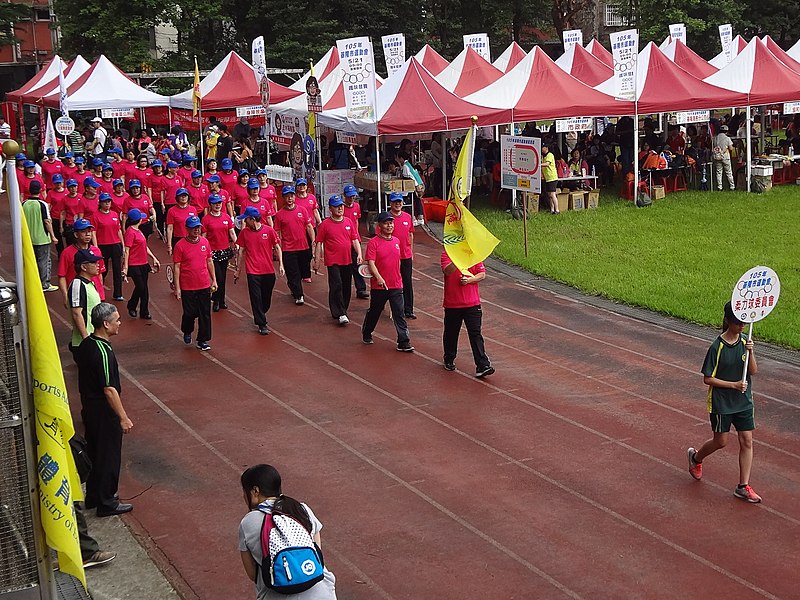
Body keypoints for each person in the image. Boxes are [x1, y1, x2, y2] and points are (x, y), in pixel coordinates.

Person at [688, 301, 760, 503]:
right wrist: (733, 385)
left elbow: (753, 371)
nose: (742, 326)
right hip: (722, 402)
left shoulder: (746, 342)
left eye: (743, 323)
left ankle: (743, 486)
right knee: (721, 442)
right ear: (728, 321)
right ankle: (695, 458)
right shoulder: (716, 347)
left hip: (744, 401)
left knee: (747, 440)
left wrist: (751, 352)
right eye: (738, 323)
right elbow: (707, 378)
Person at [238, 464, 337, 600]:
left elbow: (252, 573)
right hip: (323, 592)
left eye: (245, 492)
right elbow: (317, 553)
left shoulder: (248, 522)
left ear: (255, 491)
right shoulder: (302, 509)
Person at [75, 302, 133, 517]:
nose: (119, 323)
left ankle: (93, 496)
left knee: (95, 452)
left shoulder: (87, 344)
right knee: (109, 455)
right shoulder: (103, 351)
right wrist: (123, 417)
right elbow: (109, 389)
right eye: (117, 320)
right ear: (106, 324)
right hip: (103, 410)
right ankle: (107, 501)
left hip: (89, 407)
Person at [361, 212, 413, 352]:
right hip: (379, 286)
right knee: (375, 311)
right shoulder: (373, 243)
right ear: (379, 226)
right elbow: (371, 263)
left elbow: (399, 262)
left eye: (391, 222)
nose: (389, 225)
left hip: (396, 285)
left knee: (399, 313)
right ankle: (367, 332)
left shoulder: (396, 241)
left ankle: (404, 341)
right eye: (386, 223)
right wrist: (378, 278)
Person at [440, 250, 494, 377]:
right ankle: (449, 358)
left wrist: (469, 280)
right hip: (453, 303)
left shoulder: (473, 254)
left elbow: (482, 274)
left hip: (472, 303)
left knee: (475, 334)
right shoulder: (447, 254)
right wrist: (457, 257)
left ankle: (482, 364)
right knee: (451, 333)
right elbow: (447, 271)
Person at [234, 207, 284, 336]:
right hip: (252, 271)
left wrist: (281, 265)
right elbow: (241, 251)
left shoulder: (269, 230)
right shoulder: (244, 233)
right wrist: (238, 270)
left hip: (268, 270)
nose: (244, 222)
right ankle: (262, 323)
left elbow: (277, 247)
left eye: (246, 219)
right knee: (256, 298)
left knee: (265, 299)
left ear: (252, 219)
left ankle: (261, 311)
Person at [314, 195, 361, 325]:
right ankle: (340, 312)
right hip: (333, 261)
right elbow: (319, 243)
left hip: (347, 260)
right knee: (337, 285)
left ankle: (342, 308)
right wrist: (317, 260)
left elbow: (354, 239)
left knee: (346, 286)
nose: (340, 208)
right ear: (330, 209)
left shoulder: (348, 222)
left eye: (341, 206)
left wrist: (359, 254)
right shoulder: (325, 225)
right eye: (336, 206)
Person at [173, 216, 217, 351]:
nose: (196, 230)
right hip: (188, 286)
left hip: (203, 284)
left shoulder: (205, 242)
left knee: (205, 313)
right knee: (190, 312)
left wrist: (214, 279)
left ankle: (202, 339)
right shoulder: (180, 246)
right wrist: (178, 287)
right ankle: (187, 330)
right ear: (187, 229)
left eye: (198, 227)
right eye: (193, 228)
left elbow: (209, 261)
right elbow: (177, 267)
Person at [272, 186, 313, 306]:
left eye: (291, 196)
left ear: (294, 197)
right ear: (283, 198)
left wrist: (314, 240)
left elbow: (309, 226)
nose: (289, 198)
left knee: (302, 271)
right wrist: (277, 248)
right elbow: (277, 232)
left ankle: (293, 284)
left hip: (303, 247)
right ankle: (298, 294)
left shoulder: (302, 210)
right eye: (287, 196)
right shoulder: (280, 214)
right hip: (289, 249)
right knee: (293, 272)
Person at [122, 209, 160, 320]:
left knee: (145, 289)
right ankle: (132, 305)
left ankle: (144, 311)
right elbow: (127, 250)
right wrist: (126, 267)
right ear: (138, 220)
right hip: (134, 264)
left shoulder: (139, 231)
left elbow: (144, 246)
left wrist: (153, 257)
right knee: (141, 287)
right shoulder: (130, 232)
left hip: (143, 263)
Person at [21, 180, 58, 291]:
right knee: (44, 261)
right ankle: (44, 284)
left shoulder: (24, 203)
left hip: (28, 238)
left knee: (31, 261)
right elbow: (47, 221)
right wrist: (53, 236)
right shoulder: (42, 204)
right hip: (42, 238)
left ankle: (31, 281)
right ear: (41, 190)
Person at [202, 194, 236, 312]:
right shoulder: (206, 219)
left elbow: (231, 232)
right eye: (215, 203)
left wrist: (236, 243)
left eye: (219, 203)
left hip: (224, 250)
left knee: (224, 277)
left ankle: (221, 300)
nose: (218, 205)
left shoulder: (226, 217)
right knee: (217, 277)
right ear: (210, 205)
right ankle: (216, 300)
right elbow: (204, 236)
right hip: (213, 252)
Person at [67, 249, 104, 358]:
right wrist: (86, 340)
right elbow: (76, 313)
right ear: (83, 267)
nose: (98, 265)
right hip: (85, 343)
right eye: (93, 263)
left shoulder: (89, 284)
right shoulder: (78, 285)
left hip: (94, 339)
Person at [385, 192, 415, 319]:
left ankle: (408, 309)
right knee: (392, 281)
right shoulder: (386, 219)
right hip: (392, 256)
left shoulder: (408, 217)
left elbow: (411, 234)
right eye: (395, 201)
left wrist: (411, 251)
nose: (398, 204)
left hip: (405, 255)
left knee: (407, 282)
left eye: (400, 201)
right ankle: (390, 306)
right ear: (390, 203)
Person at [92, 193, 125, 301]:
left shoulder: (115, 214)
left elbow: (118, 230)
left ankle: (118, 293)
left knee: (117, 269)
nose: (107, 204)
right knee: (103, 270)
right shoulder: (95, 215)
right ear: (100, 203)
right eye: (105, 202)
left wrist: (122, 244)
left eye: (109, 201)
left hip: (115, 244)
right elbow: (93, 232)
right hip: (102, 245)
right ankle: (99, 291)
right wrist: (96, 247)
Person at [342, 184, 368, 299]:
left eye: (353, 196)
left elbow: (356, 221)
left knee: (357, 263)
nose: (351, 198)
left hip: (355, 239)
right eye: (349, 196)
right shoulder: (341, 208)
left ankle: (361, 289)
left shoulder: (357, 206)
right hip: (344, 240)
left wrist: (357, 236)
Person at [166, 188, 199, 254]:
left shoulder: (193, 209)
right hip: (178, 238)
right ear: (177, 198)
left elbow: (196, 225)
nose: (183, 197)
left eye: (185, 195)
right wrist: (169, 245)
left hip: (191, 238)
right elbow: (170, 228)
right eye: (181, 196)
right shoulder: (172, 211)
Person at [712, 124, 736, 191]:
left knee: (719, 172)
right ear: (726, 131)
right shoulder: (727, 138)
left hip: (717, 156)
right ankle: (732, 186)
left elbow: (714, 146)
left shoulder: (715, 138)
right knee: (728, 172)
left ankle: (720, 187)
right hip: (725, 157)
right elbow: (731, 148)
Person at [541, 143, 559, 214]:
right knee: (549, 195)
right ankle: (552, 209)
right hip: (547, 178)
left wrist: (538, 165)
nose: (542, 149)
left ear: (547, 148)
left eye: (543, 147)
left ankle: (557, 210)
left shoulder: (550, 155)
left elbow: (547, 164)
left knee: (552, 194)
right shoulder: (543, 156)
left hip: (552, 177)